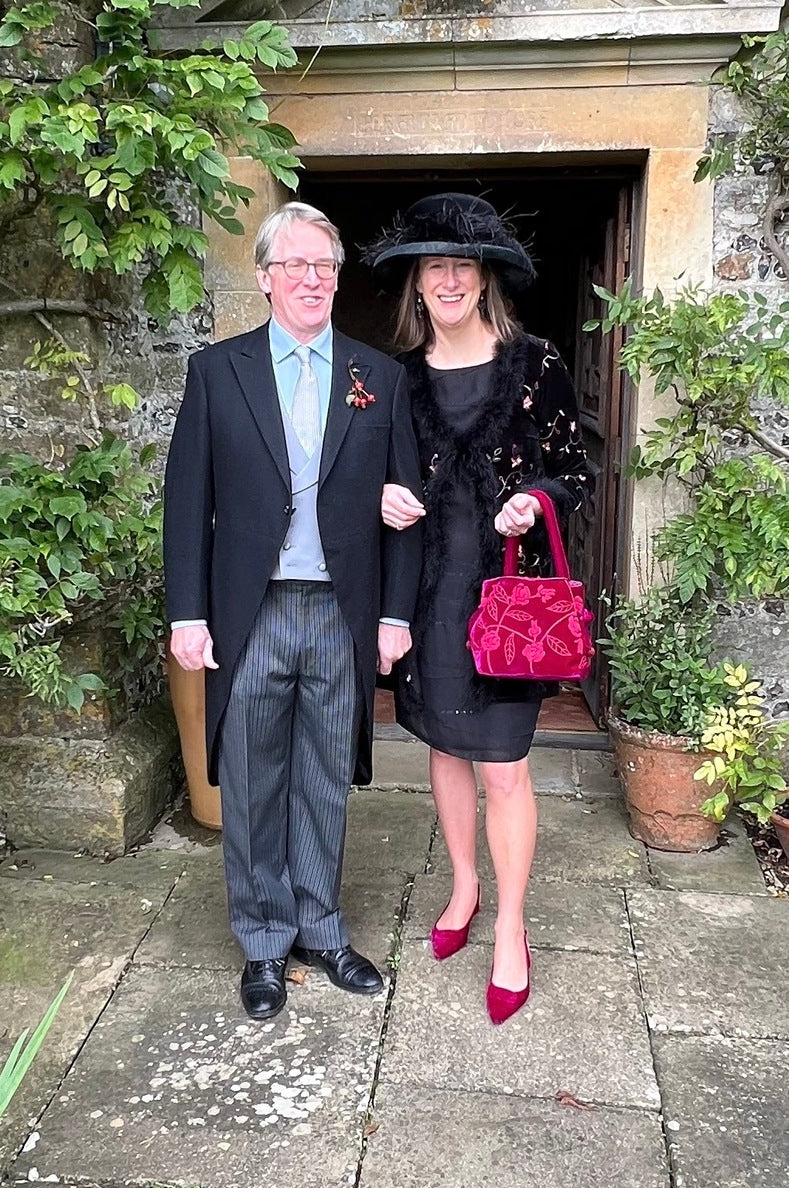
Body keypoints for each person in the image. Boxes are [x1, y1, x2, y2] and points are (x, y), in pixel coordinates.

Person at [164, 201, 422, 1021]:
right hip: (253, 610)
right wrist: (187, 614)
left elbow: (405, 504)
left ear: (337, 279)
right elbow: (186, 500)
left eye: (325, 266)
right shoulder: (217, 372)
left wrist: (394, 616)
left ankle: (321, 927)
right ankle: (264, 941)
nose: (311, 279)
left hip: (341, 611)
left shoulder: (377, 377)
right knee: (251, 779)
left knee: (323, 777)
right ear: (265, 278)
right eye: (295, 264)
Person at [365, 193, 590, 1025]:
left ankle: (512, 928)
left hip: (506, 604)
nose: (450, 279)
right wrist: (378, 496)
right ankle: (462, 887)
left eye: (463, 265)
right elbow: (371, 475)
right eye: (435, 266)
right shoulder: (396, 378)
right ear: (417, 283)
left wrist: (535, 498)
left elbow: (576, 469)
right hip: (427, 597)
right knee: (443, 747)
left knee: (502, 766)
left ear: (484, 277)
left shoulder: (534, 363)